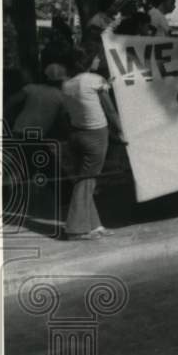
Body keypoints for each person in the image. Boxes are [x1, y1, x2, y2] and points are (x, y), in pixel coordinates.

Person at [59, 48, 126, 240]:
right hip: (96, 134)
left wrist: (107, 84)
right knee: (87, 181)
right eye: (96, 58)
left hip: (76, 134)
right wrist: (121, 131)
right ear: (90, 61)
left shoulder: (67, 84)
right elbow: (110, 110)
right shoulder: (94, 79)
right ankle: (75, 228)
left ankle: (94, 225)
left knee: (85, 179)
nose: (98, 60)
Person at [7, 63, 67, 139]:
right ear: (61, 81)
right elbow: (62, 119)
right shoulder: (61, 97)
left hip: (19, 129)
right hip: (37, 134)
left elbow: (11, 101)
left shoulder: (31, 88)